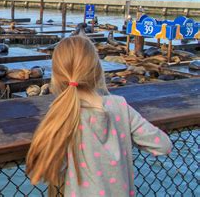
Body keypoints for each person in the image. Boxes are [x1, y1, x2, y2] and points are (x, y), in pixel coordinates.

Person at [26, 36, 172, 197]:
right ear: (97, 71)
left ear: (57, 77)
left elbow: (45, 169)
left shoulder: (64, 115)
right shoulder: (120, 106)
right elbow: (163, 146)